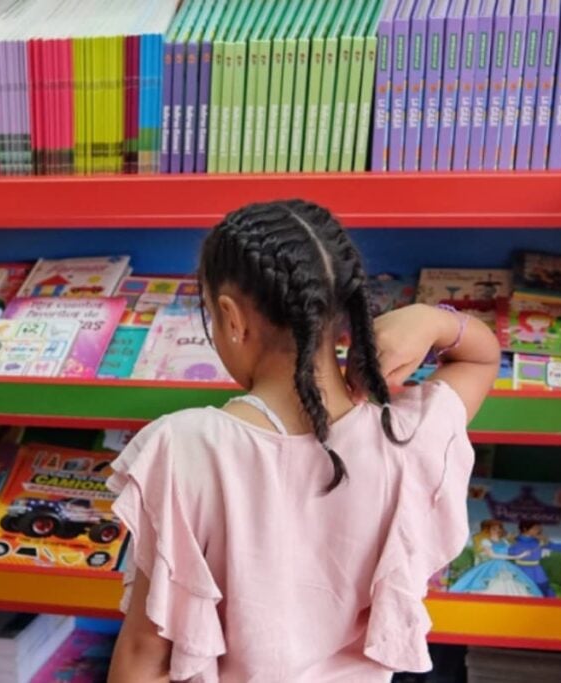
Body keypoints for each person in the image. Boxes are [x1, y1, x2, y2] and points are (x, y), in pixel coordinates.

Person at [107, 200, 502, 682]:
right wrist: (433, 321)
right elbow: (481, 360)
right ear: (340, 308)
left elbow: (142, 659)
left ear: (231, 317)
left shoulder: (182, 447)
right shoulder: (409, 436)